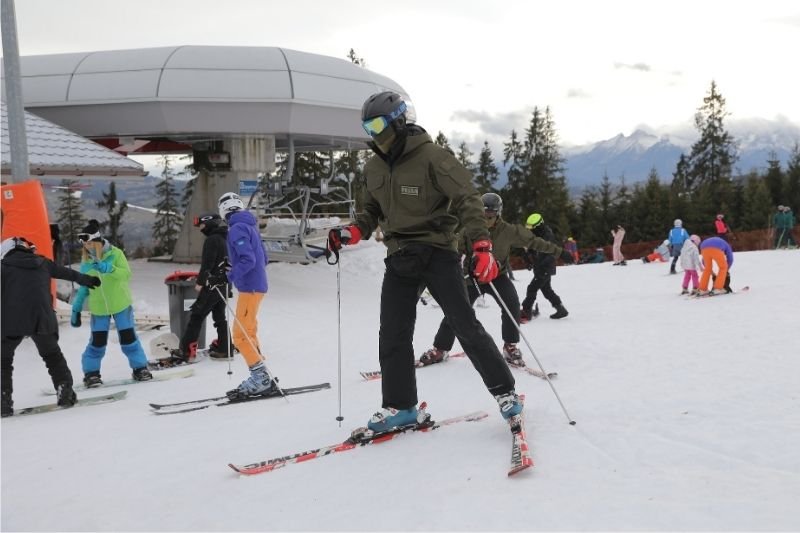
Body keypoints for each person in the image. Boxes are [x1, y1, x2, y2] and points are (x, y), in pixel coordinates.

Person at [328, 90, 524, 432]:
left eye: (377, 124)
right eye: (367, 127)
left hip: (437, 251)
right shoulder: (373, 165)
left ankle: (506, 393)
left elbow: (467, 200)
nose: (373, 133)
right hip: (399, 255)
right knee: (393, 332)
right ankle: (401, 406)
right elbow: (370, 211)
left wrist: (481, 244)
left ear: (398, 122)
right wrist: (352, 232)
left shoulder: (433, 157)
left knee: (464, 324)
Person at [419, 197, 567, 368]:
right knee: (457, 311)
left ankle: (510, 346)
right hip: (473, 278)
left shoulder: (508, 231)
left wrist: (560, 252)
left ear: (498, 214)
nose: (486, 220)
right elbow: (455, 251)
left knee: (511, 305)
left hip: (498, 276)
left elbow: (534, 241)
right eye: (483, 215)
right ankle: (440, 349)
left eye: (490, 215)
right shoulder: (469, 230)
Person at [2, 236, 101, 416]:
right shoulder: (43, 263)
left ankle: (3, 400)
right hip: (42, 317)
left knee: (3, 361)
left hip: (11, 321)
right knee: (52, 355)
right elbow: (67, 273)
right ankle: (65, 391)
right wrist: (88, 280)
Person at [71, 220, 152, 386]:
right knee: (97, 343)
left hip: (121, 305)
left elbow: (126, 275)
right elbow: (84, 287)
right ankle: (91, 374)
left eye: (89, 244)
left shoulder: (116, 254)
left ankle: (140, 368)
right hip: (99, 309)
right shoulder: (86, 261)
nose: (87, 248)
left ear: (97, 241)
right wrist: (76, 308)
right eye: (85, 245)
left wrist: (110, 269)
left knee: (129, 339)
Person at [215, 192, 272, 400]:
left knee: (239, 336)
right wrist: (231, 267)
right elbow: (263, 258)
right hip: (256, 287)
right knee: (250, 332)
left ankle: (260, 379)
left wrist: (228, 276)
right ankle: (262, 375)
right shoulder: (249, 226)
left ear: (223, 210)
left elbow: (249, 261)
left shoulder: (236, 228)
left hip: (250, 288)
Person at [169, 213, 234, 363]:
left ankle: (186, 352)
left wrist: (200, 283)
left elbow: (207, 265)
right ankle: (225, 348)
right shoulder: (227, 238)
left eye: (202, 226)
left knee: (197, 315)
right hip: (225, 283)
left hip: (212, 285)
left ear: (210, 224)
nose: (200, 229)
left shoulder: (212, 240)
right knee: (219, 317)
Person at [520, 213, 570, 321]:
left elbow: (551, 254)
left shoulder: (548, 236)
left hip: (545, 268)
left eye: (531, 228)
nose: (530, 231)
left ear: (538, 226)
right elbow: (531, 248)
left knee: (532, 288)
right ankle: (561, 309)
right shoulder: (536, 235)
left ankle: (526, 310)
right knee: (546, 290)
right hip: (540, 267)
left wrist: (542, 266)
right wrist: (528, 260)